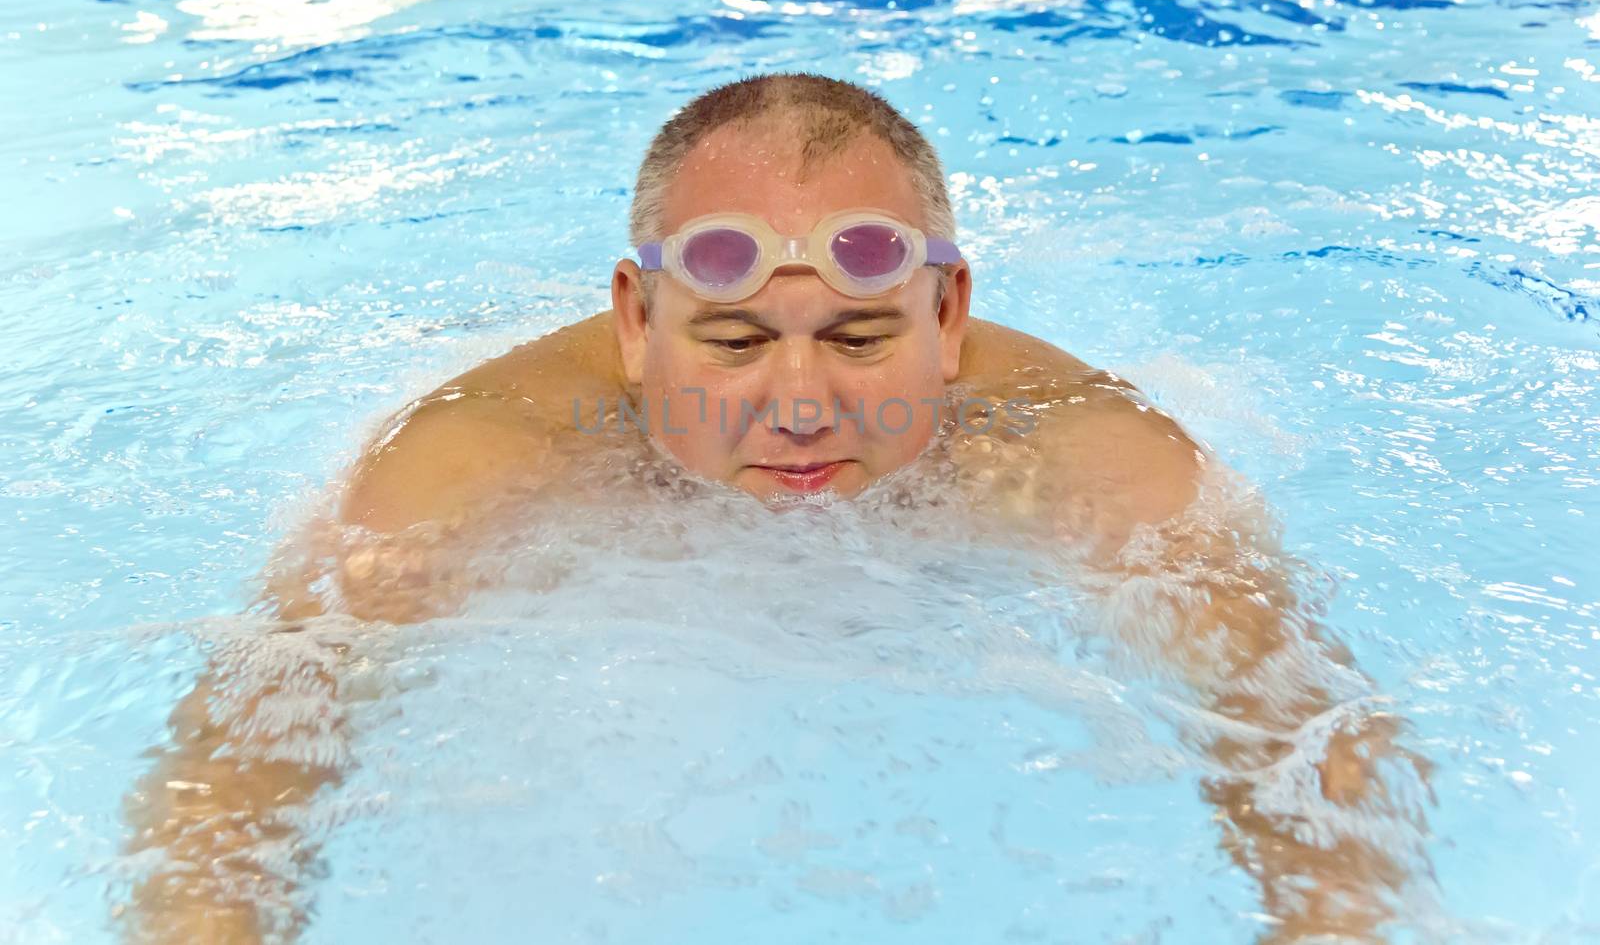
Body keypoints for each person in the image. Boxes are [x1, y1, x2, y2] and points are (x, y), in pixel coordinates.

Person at [120, 74, 1429, 943]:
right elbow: (236, 780)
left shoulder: (1082, 453)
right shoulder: (476, 466)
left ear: (950, 316)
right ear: (636, 327)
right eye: (735, 344)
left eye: (860, 342)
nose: (798, 406)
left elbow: (1306, 752)